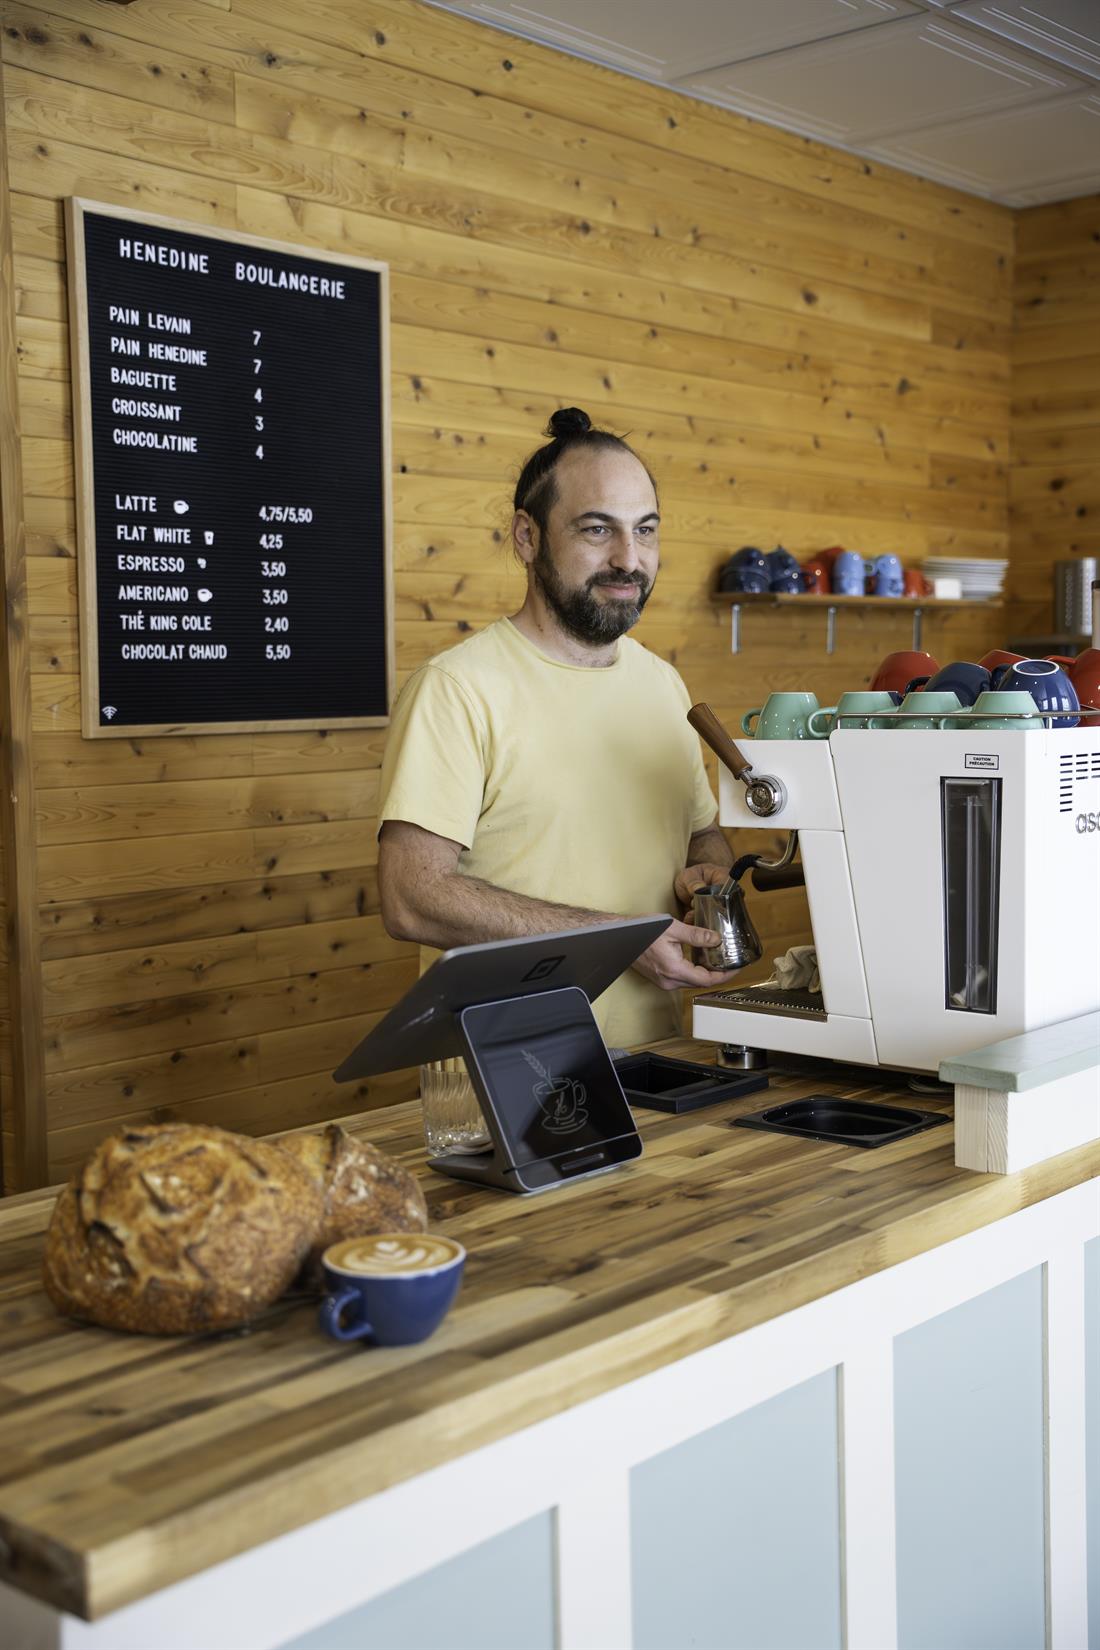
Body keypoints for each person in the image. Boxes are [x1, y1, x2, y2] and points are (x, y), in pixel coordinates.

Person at [377, 406, 738, 1053]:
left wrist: (707, 879)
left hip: (659, 1058)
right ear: (527, 537)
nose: (629, 559)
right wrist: (619, 939)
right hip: (507, 1081)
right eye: (598, 530)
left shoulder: (662, 686)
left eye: (646, 531)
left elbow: (703, 835)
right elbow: (410, 897)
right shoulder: (457, 688)